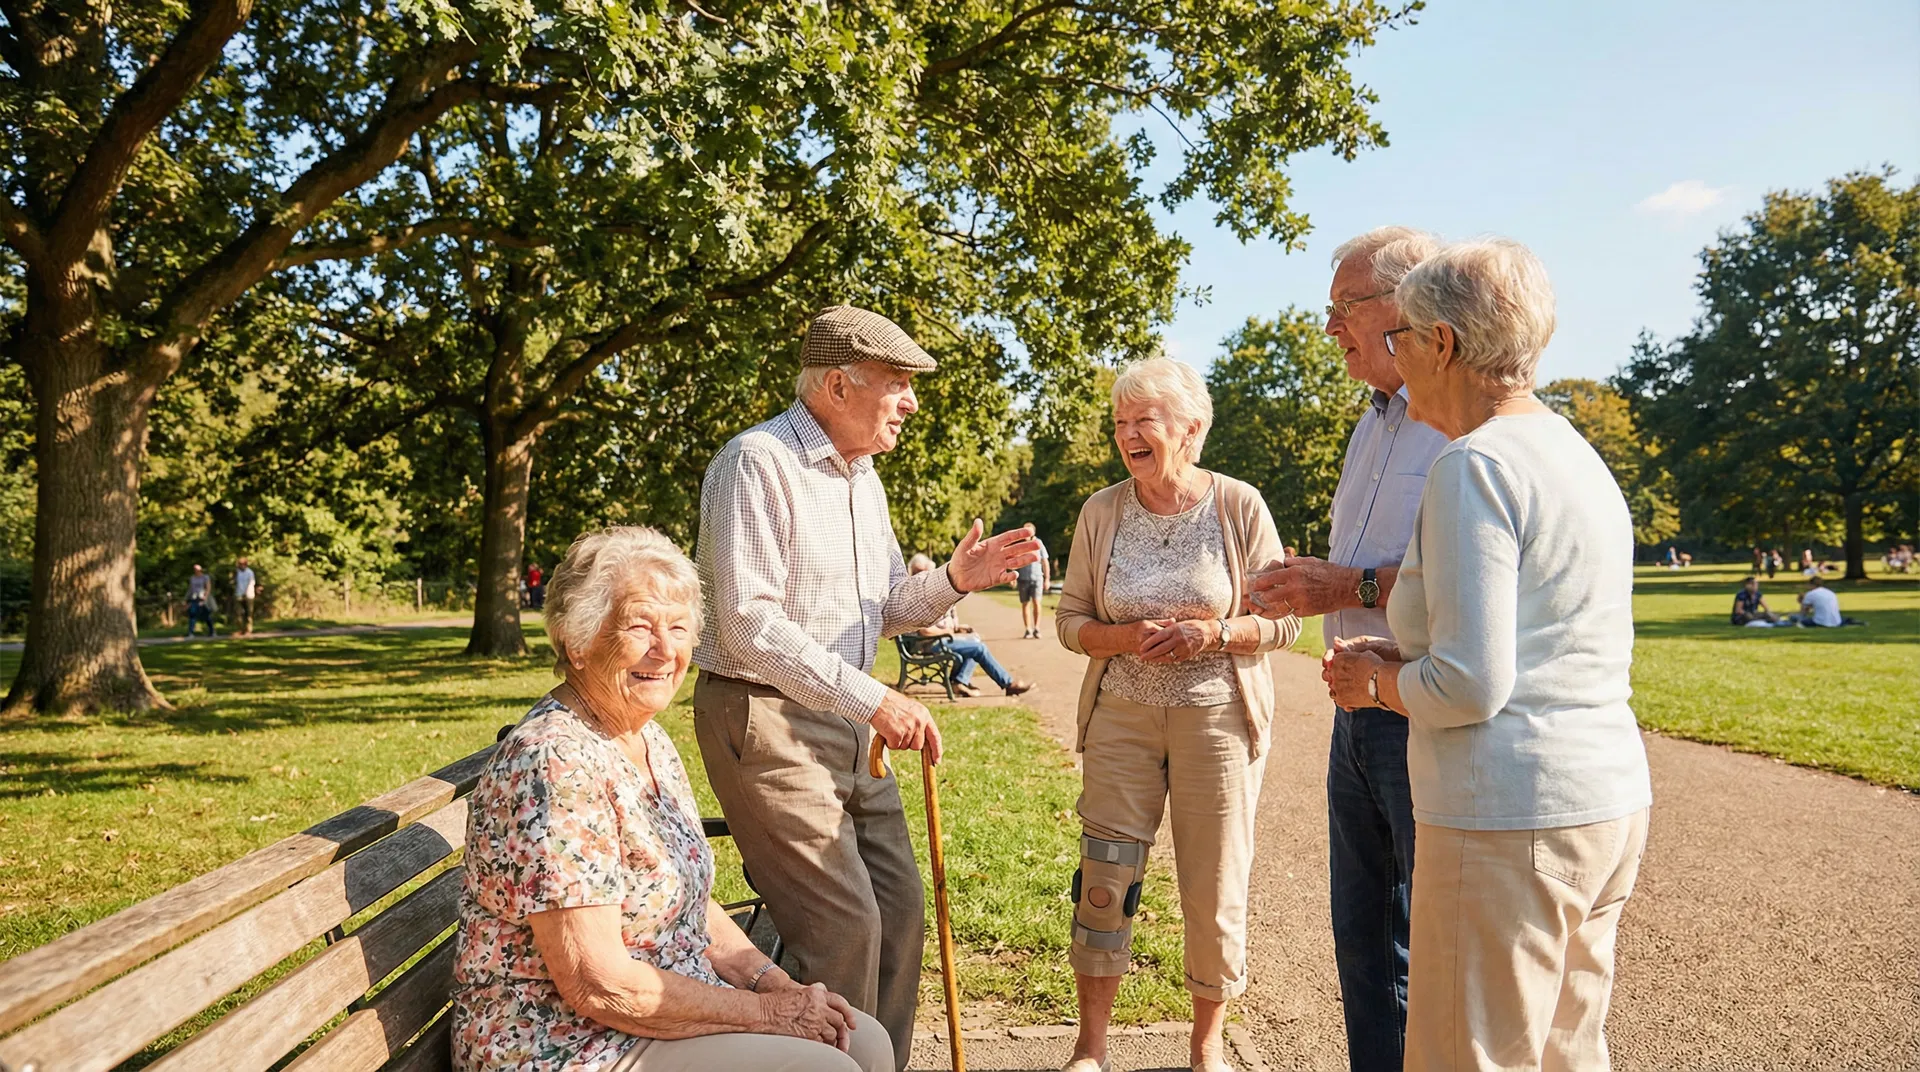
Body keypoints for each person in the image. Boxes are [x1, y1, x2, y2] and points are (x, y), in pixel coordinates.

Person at [1321, 238, 1652, 1072]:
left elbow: (1470, 683)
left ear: (1443, 345)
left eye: (1403, 338)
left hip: (1509, 815)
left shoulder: (1474, 464)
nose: (1392, 353)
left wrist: (1377, 679)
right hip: (1602, 796)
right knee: (1566, 1049)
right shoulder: (1573, 452)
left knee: (1469, 1054)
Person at [690, 305, 1040, 1072]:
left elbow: (883, 609)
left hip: (845, 719)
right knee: (843, 929)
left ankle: (879, 1065)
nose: (911, 402)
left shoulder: (864, 478)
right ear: (840, 386)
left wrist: (954, 581)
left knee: (901, 911)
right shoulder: (757, 462)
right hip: (765, 718)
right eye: (898, 383)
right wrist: (873, 699)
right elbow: (748, 624)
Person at [452, 526, 891, 1072]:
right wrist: (768, 1014)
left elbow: (684, 899)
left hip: (656, 1007)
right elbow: (599, 984)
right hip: (565, 1041)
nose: (665, 651)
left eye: (680, 628)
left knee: (863, 1039)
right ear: (577, 641)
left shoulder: (645, 736)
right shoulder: (554, 763)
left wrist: (776, 985)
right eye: (640, 627)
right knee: (826, 1068)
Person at [1054, 356, 1302, 1072]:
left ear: (1190, 430)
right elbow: (1071, 622)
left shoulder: (1238, 505)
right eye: (1120, 423)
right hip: (1121, 718)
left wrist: (1214, 633)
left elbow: (1283, 622)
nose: (1128, 435)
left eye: (1144, 422)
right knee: (1104, 882)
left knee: (1214, 886)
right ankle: (1090, 1048)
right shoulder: (1101, 511)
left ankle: (1206, 1047)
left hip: (1217, 720)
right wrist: (1122, 638)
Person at [1245, 224, 1448, 1072]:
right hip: (1352, 712)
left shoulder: (1456, 423)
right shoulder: (1371, 426)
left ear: (1402, 306)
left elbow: (1460, 575)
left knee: (1434, 942)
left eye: (1343, 309)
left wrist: (1348, 587)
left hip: (1421, 707)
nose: (1330, 328)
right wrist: (1308, 584)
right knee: (1363, 939)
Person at [907, 554, 1033, 697]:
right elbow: (926, 632)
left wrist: (956, 628)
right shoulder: (916, 597)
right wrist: (949, 632)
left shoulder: (921, 593)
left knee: (974, 641)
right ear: (915, 572)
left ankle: (960, 681)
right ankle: (1007, 684)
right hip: (928, 644)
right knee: (978, 648)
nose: (926, 576)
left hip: (938, 640)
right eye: (923, 572)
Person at [1016, 525, 1052, 638]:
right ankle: (1028, 629)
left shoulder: (1038, 543)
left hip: (1037, 578)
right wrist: (1012, 577)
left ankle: (1036, 628)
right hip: (1023, 578)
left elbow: (1045, 561)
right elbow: (1015, 561)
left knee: (1037, 602)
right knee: (1025, 604)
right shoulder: (1021, 545)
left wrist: (1047, 578)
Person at [1789, 576, 1854, 627]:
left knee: (1796, 620)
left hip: (1821, 622)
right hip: (1837, 621)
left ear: (1811, 584)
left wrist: (1792, 614)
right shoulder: (1830, 592)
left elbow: (1803, 613)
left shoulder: (1810, 594)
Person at [184, 564, 216, 638]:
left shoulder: (205, 577)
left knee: (206, 615)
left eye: (197, 570)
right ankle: (190, 632)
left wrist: (205, 597)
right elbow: (190, 589)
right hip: (194, 598)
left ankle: (212, 631)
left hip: (203, 598)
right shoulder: (192, 578)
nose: (196, 571)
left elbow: (208, 587)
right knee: (192, 614)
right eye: (195, 569)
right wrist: (186, 598)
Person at [232, 557, 257, 636]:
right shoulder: (237, 572)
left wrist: (246, 593)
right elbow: (235, 582)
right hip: (238, 594)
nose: (240, 566)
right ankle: (241, 629)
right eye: (239, 564)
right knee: (238, 613)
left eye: (242, 564)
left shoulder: (250, 572)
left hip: (248, 595)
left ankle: (248, 630)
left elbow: (251, 583)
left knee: (248, 613)